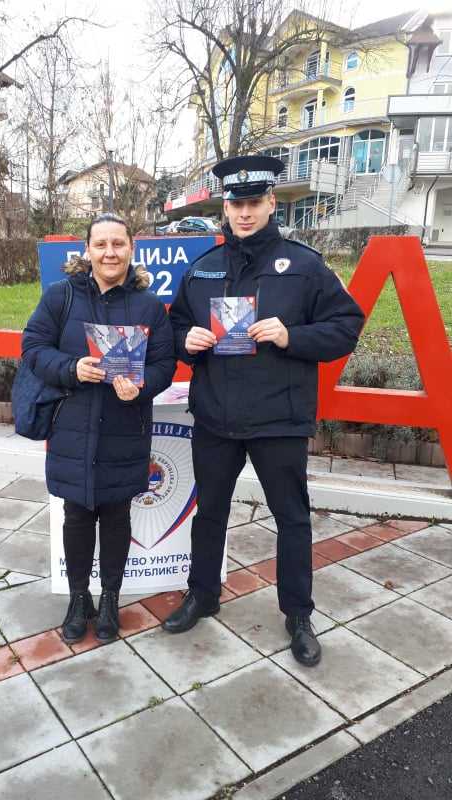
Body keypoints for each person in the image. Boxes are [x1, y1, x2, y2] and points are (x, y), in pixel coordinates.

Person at [164, 155, 365, 666]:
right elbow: (174, 327)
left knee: (292, 518)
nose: (245, 213)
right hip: (216, 417)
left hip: (279, 418)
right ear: (225, 208)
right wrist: (186, 340)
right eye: (236, 204)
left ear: (272, 203)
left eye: (254, 202)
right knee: (209, 513)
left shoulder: (304, 266)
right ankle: (202, 594)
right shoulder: (203, 268)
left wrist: (291, 335)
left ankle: (298, 614)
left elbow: (347, 325)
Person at [22, 213, 175, 644]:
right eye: (101, 244)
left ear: (132, 249)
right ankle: (78, 599)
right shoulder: (62, 297)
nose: (110, 252)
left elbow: (164, 364)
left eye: (118, 244)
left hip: (125, 427)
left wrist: (142, 386)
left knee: (116, 515)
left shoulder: (149, 306)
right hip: (73, 426)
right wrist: (71, 367)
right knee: (76, 515)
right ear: (87, 250)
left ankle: (109, 598)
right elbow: (33, 347)